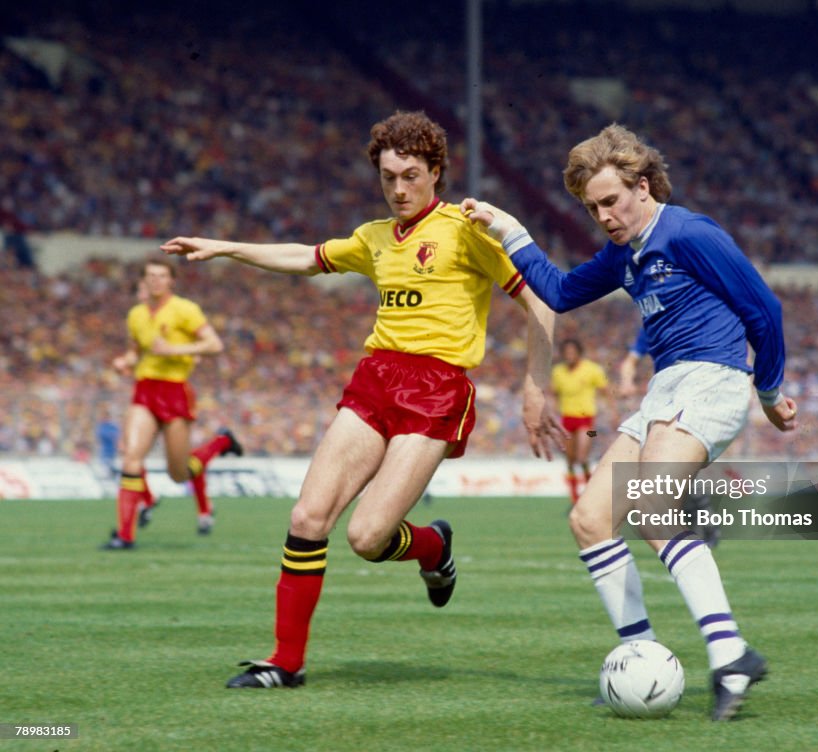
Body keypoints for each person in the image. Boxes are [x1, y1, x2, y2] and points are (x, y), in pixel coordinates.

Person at [161, 110, 563, 690]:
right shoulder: (375, 238)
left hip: (437, 389)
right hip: (375, 379)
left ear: (435, 172)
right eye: (387, 177)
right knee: (307, 517)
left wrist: (533, 389)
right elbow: (305, 257)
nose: (398, 188)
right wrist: (223, 247)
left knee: (368, 537)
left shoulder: (465, 230)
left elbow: (541, 301)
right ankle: (286, 662)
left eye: (410, 175)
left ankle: (432, 546)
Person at [462, 124, 798, 721]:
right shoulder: (623, 255)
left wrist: (770, 391)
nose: (605, 216)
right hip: (666, 391)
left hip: (712, 380)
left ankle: (730, 654)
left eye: (612, 201)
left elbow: (764, 310)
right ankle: (639, 656)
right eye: (594, 208)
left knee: (650, 508)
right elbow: (560, 293)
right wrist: (507, 228)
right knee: (589, 519)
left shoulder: (688, 232)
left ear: (643, 187)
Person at [104, 259, 244, 549]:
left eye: (162, 275)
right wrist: (124, 362)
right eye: (151, 275)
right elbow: (134, 352)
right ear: (144, 280)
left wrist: (175, 350)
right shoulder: (136, 315)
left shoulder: (185, 309)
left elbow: (214, 345)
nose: (156, 280)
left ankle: (221, 442)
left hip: (175, 391)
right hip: (145, 390)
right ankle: (125, 536)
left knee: (179, 473)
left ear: (171, 281)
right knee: (131, 457)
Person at [619, 328, 720, 548]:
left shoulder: (694, 322)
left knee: (679, 472)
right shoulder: (652, 325)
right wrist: (627, 381)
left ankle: (700, 525)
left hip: (695, 401)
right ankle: (703, 522)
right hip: (664, 404)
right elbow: (630, 361)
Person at [551, 338, 608, 504]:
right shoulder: (558, 371)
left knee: (582, 457)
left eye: (572, 352)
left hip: (587, 421)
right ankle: (574, 498)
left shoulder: (592, 369)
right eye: (566, 353)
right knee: (570, 460)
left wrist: (611, 412)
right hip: (566, 420)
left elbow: (605, 391)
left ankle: (590, 494)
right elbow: (555, 394)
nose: (569, 355)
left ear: (578, 353)